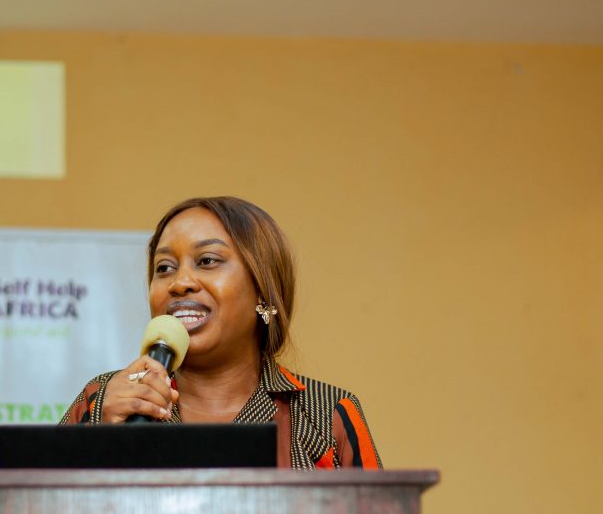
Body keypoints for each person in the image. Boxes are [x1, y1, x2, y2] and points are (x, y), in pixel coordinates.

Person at [61, 196, 382, 470]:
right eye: (164, 268)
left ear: (263, 289)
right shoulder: (101, 398)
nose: (179, 283)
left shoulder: (326, 413)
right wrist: (99, 437)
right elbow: (40, 512)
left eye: (207, 261)